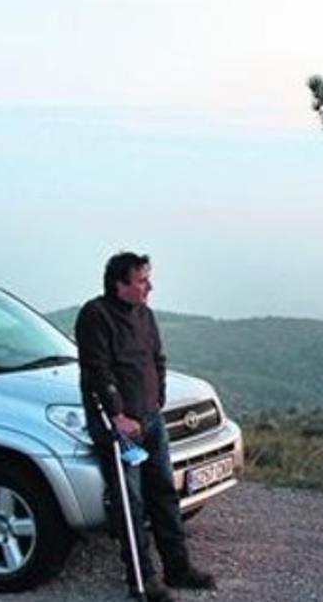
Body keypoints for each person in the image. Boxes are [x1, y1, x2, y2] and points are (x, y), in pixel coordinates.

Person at [76, 252, 216, 602]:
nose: (149, 286)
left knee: (165, 495)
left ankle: (178, 568)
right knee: (131, 503)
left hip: (152, 420)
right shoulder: (95, 316)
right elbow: (97, 371)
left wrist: (159, 399)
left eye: (147, 279)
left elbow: (157, 358)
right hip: (120, 426)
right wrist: (117, 416)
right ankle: (143, 581)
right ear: (120, 285)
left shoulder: (145, 315)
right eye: (141, 281)